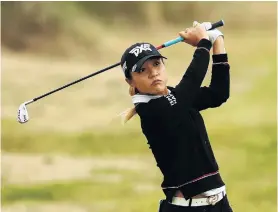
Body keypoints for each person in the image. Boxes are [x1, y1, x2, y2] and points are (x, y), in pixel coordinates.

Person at [120, 21, 233, 212]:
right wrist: (203, 44)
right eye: (142, 70)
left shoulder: (174, 96)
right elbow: (189, 84)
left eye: (156, 64)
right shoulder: (150, 110)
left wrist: (217, 42)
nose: (153, 72)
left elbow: (218, 93)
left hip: (220, 204)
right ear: (130, 81)